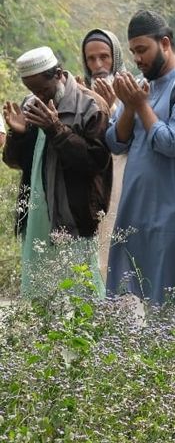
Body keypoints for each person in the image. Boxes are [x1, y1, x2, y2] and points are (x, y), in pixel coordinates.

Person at [105, 10, 175, 306]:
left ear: (165, 43)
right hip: (138, 207)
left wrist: (140, 105)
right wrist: (129, 106)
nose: (137, 59)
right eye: (133, 52)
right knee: (144, 298)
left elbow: (171, 143)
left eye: (142, 50)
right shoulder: (141, 88)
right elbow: (115, 142)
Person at [3, 46, 111, 298]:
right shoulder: (30, 105)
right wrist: (17, 136)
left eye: (42, 89)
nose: (37, 95)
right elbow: (16, 163)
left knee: (83, 293)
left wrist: (55, 129)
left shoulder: (91, 106)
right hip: (39, 216)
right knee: (41, 295)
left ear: (59, 74)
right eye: (31, 90)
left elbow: (96, 163)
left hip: (74, 216)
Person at [79, 29, 127, 279]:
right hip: (91, 184)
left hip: (122, 178)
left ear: (116, 57)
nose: (98, 65)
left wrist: (114, 107)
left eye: (104, 57)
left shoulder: (131, 87)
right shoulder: (79, 93)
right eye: (91, 59)